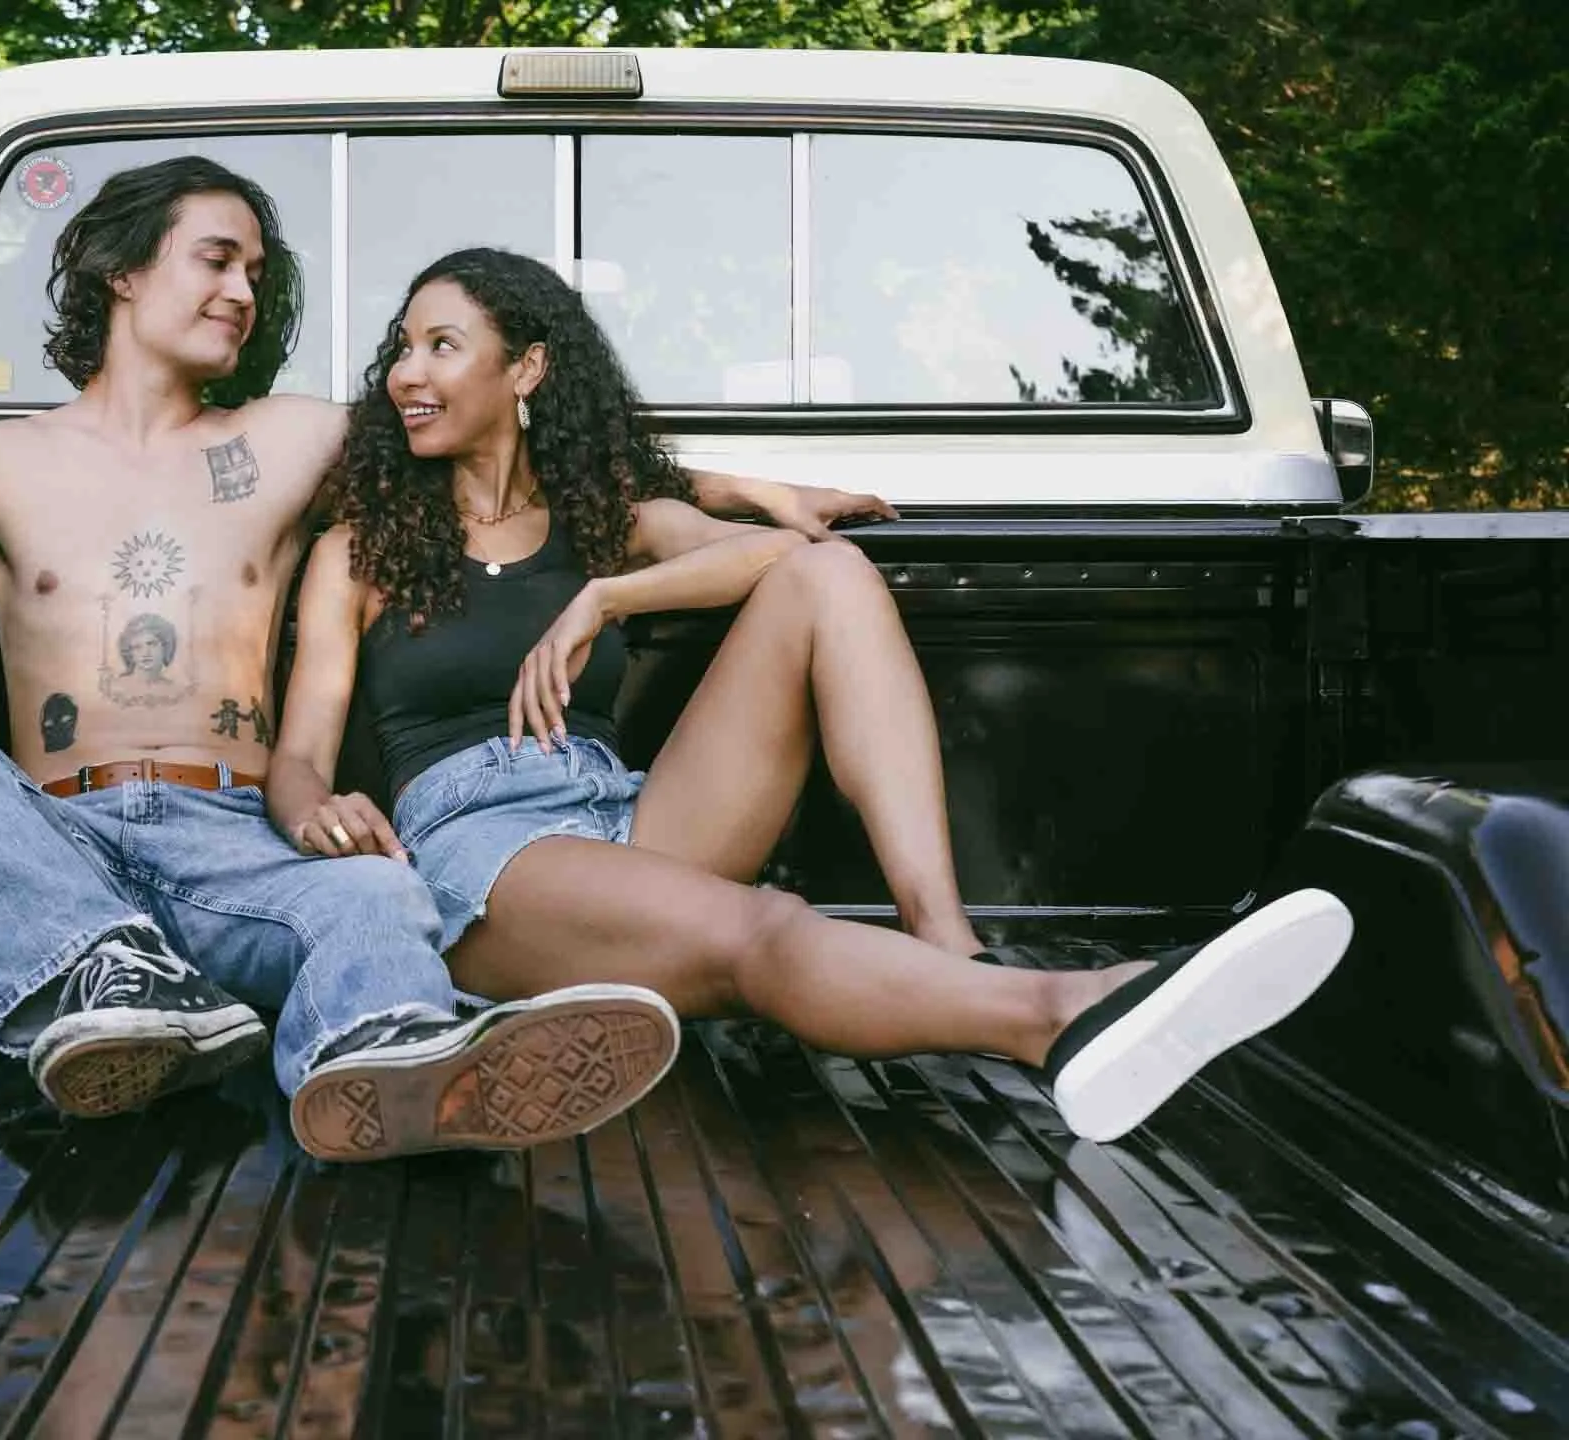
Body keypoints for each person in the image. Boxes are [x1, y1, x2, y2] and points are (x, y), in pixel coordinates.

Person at [0, 157, 884, 1157]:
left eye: (256, 274)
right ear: (119, 271)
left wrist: (738, 484)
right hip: (41, 834)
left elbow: (518, 437)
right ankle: (92, 974)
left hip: (227, 844)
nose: (242, 292)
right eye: (217, 260)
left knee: (383, 894)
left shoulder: (289, 436)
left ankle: (382, 1066)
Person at [266, 248, 1355, 1146]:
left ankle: (949, 940)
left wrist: (605, 595)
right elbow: (302, 748)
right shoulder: (363, 548)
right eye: (402, 347)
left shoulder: (604, 517)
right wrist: (316, 805)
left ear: (528, 369)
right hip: (482, 858)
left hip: (621, 818)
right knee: (766, 932)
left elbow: (778, 557)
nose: (407, 370)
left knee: (831, 576)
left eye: (440, 345)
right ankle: (1055, 1017)